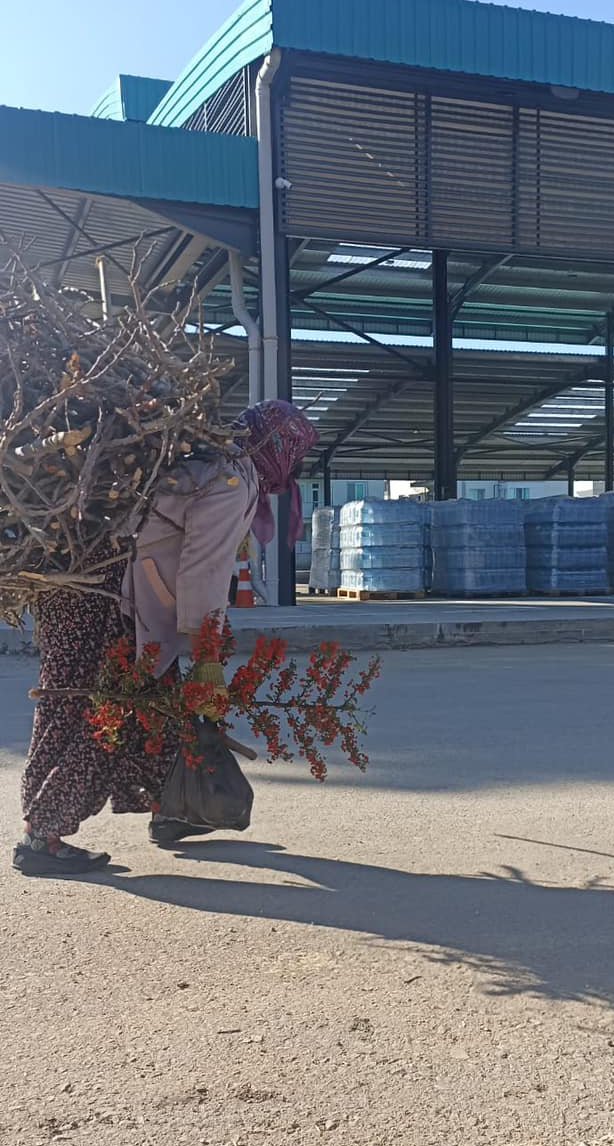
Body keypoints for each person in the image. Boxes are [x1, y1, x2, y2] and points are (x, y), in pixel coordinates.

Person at [13, 400, 317, 876]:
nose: (293, 467)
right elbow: (203, 570)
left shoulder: (210, 460)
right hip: (111, 596)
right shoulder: (233, 480)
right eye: (294, 453)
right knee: (112, 711)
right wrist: (206, 651)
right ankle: (43, 835)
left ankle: (169, 810)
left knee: (129, 705)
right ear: (276, 447)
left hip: (81, 578)